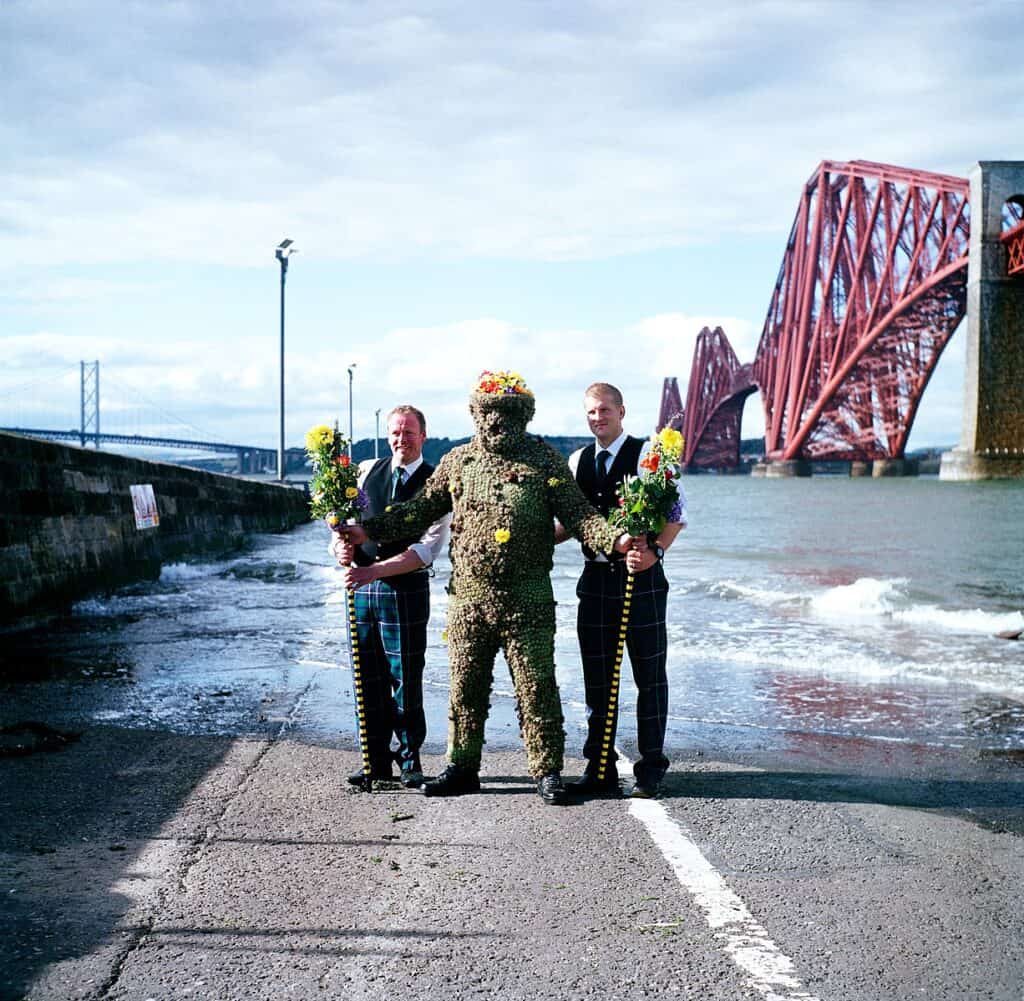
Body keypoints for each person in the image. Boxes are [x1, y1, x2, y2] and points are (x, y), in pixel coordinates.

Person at [334, 372, 635, 806]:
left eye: (506, 415)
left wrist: (615, 540)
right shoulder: (458, 463)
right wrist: (367, 531)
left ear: (523, 416)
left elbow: (580, 513)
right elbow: (416, 511)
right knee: (465, 685)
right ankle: (461, 765)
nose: (497, 424)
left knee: (537, 685)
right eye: (489, 414)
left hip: (527, 595)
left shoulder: (544, 462)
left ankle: (547, 769)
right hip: (469, 597)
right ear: (477, 414)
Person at [560, 382, 686, 799]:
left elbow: (676, 513)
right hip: (594, 581)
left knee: (648, 678)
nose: (598, 418)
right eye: (591, 412)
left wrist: (657, 552)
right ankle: (600, 769)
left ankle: (651, 768)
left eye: (605, 411)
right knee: (598, 680)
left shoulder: (650, 456)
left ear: (622, 411)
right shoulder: (577, 460)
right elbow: (567, 524)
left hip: (642, 579)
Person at [329, 405, 450, 789]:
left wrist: (372, 571)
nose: (402, 439)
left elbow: (426, 550)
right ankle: (375, 759)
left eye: (410, 432)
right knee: (367, 674)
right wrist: (340, 549)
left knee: (406, 675)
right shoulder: (365, 471)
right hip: (362, 587)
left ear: (423, 436)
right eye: (396, 432)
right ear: (388, 435)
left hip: (406, 587)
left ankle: (411, 759)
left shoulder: (436, 484)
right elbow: (341, 526)